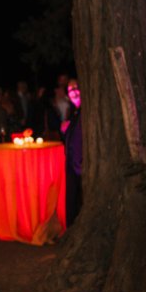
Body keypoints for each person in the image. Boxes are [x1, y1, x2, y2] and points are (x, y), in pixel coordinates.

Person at [61, 79, 83, 227]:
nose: (73, 92)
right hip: (72, 163)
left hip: (80, 165)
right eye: (70, 90)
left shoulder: (84, 112)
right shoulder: (74, 112)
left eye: (76, 88)